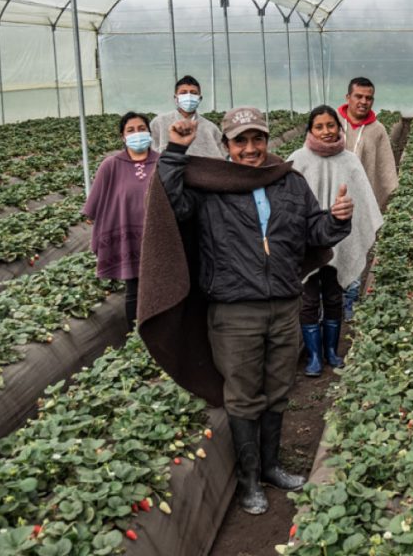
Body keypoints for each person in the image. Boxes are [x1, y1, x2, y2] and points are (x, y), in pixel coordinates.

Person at [142, 106, 354, 515]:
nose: (251, 148)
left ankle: (272, 465)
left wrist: (337, 221)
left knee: (278, 389)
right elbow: (169, 204)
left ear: (268, 141)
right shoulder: (208, 187)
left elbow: (314, 230)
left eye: (257, 139)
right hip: (234, 309)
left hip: (284, 303)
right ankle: (249, 480)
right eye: (241, 141)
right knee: (242, 395)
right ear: (226, 146)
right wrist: (174, 152)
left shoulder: (289, 183)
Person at [288, 105, 383, 377]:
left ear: (339, 127)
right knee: (308, 299)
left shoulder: (350, 160)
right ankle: (314, 355)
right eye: (319, 126)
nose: (326, 131)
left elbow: (363, 202)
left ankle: (331, 351)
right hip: (307, 243)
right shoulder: (298, 159)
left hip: (340, 241)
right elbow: (286, 202)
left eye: (331, 125)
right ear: (310, 130)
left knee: (333, 296)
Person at [82, 112, 159, 330]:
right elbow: (95, 202)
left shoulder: (162, 162)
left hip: (157, 236)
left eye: (142, 129)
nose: (137, 134)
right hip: (130, 239)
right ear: (122, 137)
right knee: (134, 288)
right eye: (131, 130)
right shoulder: (111, 165)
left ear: (150, 132)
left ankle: (160, 335)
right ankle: (136, 336)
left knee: (160, 287)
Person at [338, 77, 397, 322]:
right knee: (328, 253)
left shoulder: (378, 129)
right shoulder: (334, 123)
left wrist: (378, 202)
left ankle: (350, 301)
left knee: (356, 252)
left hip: (360, 204)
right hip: (329, 203)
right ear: (348, 98)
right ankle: (328, 303)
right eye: (358, 96)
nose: (363, 101)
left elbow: (384, 171)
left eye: (368, 98)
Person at [149, 75, 225, 158]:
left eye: (194, 93)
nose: (189, 96)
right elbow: (149, 153)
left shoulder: (211, 128)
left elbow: (222, 157)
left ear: (200, 98)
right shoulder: (159, 123)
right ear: (176, 98)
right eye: (183, 92)